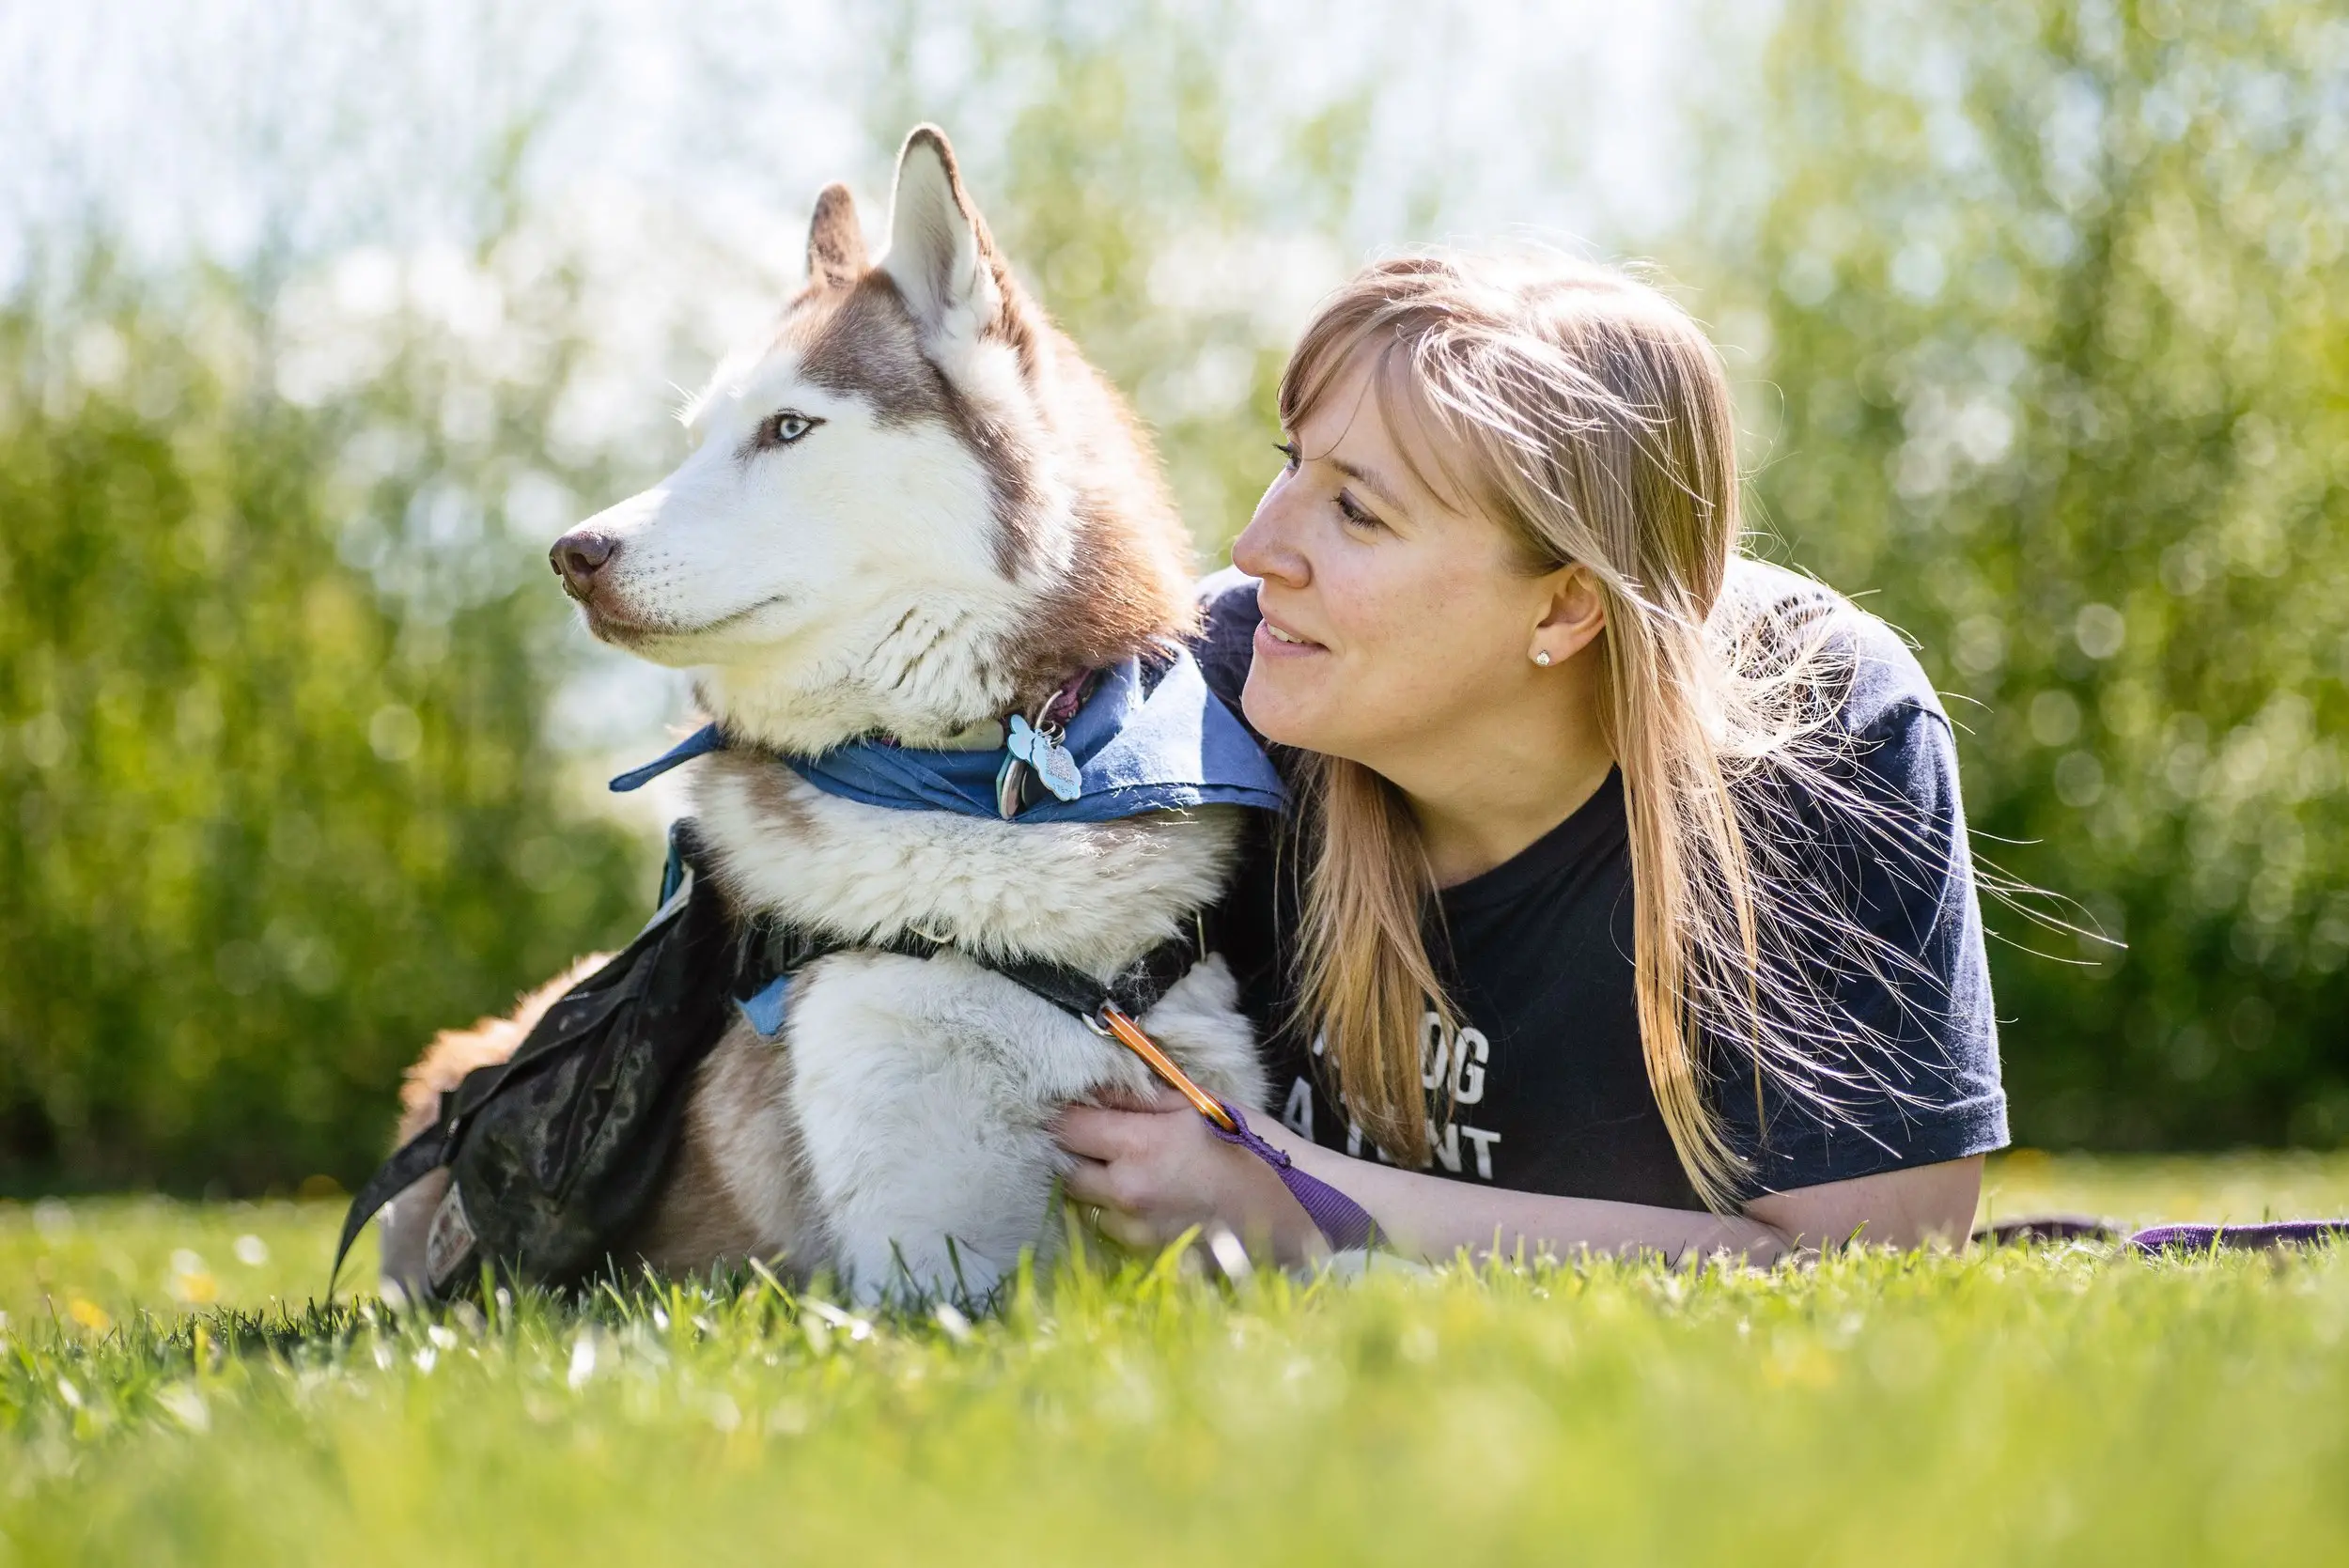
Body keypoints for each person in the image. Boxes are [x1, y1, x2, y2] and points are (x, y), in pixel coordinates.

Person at [1052, 252, 2008, 1265]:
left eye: (1356, 511)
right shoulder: (1196, 696)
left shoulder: (1824, 726)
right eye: (1291, 462)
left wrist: (1299, 1200)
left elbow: (1877, 1250)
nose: (1255, 548)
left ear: (1563, 606)